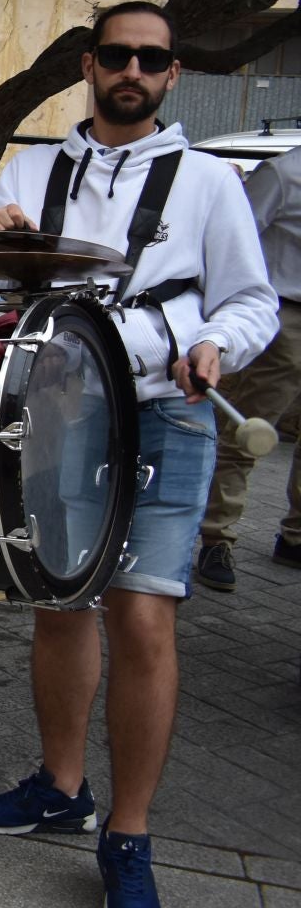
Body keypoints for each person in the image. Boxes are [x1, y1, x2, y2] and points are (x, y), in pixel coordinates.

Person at [0, 0, 275, 908]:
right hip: (58, 413)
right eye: (114, 54)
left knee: (141, 617)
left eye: (150, 57)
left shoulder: (211, 182)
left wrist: (217, 342)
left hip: (170, 415)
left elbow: (251, 301)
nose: (131, 69)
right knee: (61, 603)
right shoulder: (32, 167)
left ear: (172, 74)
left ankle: (129, 838)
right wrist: (1, 239)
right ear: (89, 66)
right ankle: (62, 788)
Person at [194, 141, 301, 588]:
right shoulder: (284, 174)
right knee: (247, 429)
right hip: (284, 316)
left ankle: (295, 536)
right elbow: (235, 240)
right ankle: (217, 538)